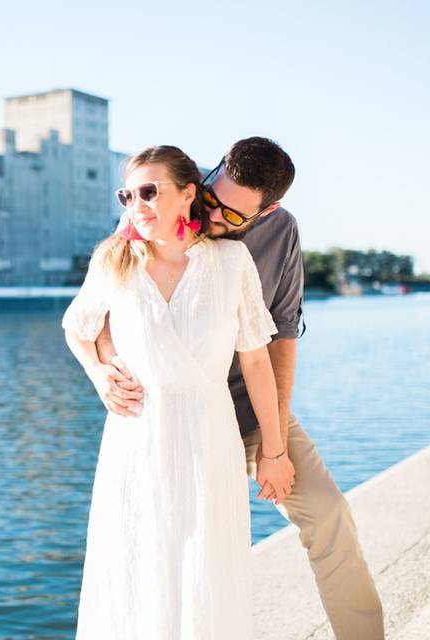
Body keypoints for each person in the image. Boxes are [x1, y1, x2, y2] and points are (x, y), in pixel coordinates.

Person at [94, 137, 384, 640]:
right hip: (167, 417)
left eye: (231, 214)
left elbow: (281, 340)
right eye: (210, 197)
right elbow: (98, 313)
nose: (212, 215)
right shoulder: (156, 205)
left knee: (329, 514)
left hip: (252, 408)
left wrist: (274, 448)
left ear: (267, 210)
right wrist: (104, 371)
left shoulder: (280, 233)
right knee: (167, 551)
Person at [62, 145, 294, 638]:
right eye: (128, 194)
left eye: (150, 192)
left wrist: (275, 452)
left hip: (208, 440)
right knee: (135, 570)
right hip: (135, 439)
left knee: (205, 572)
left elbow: (256, 360)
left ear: (189, 193)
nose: (136, 204)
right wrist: (99, 373)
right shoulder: (113, 262)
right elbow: (77, 327)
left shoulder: (232, 261)